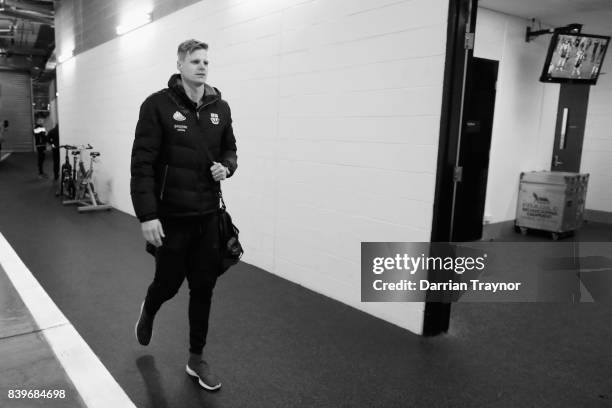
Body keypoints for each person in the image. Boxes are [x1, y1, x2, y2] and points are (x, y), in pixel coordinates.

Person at [130, 39, 237, 391]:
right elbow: (142, 164)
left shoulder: (220, 106)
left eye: (206, 60)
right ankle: (150, 307)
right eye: (194, 61)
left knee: (204, 287)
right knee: (168, 284)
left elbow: (230, 149)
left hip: (207, 216)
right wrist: (147, 215)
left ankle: (196, 359)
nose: (202, 66)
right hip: (171, 217)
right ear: (179, 64)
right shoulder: (156, 106)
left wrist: (227, 167)